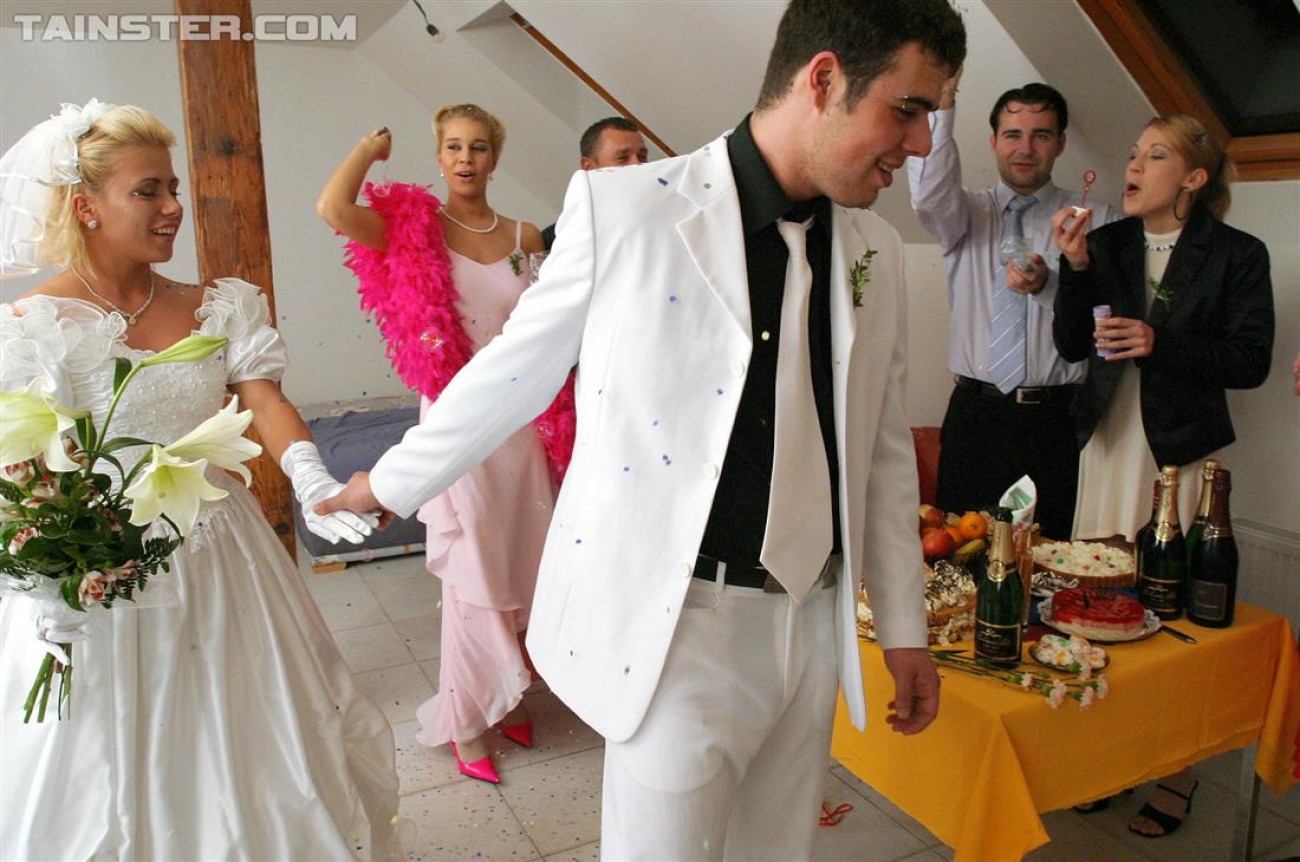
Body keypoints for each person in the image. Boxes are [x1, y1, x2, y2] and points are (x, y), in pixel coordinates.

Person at [319, 0, 967, 857]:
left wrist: (907, 629)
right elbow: (516, 369)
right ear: (823, 79)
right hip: (678, 626)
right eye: (909, 109)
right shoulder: (625, 209)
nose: (920, 143)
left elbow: (880, 451)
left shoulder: (873, 248)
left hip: (814, 624)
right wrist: (387, 481)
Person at [0, 100, 399, 859]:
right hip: (101, 575)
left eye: (173, 187)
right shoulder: (28, 326)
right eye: (146, 190)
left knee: (249, 742)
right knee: (105, 763)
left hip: (222, 559)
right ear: (86, 206)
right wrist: (45, 572)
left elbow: (265, 402)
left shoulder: (218, 305)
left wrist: (312, 481)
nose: (172, 206)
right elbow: (21, 468)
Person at [318, 103, 573, 785]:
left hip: (522, 423)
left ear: (495, 158)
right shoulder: (417, 231)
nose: (466, 159)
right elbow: (333, 209)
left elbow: (552, 326)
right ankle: (465, 720)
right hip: (457, 422)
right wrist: (368, 149)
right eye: (454, 147)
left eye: (479, 147)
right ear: (438, 157)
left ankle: (509, 692)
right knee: (474, 571)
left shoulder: (524, 235)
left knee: (522, 560)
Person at [1052, 113, 1274, 837]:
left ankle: (1178, 772)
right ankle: (1107, 757)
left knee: (1169, 615)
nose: (1135, 166)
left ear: (1194, 178)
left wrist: (1158, 340)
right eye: (1133, 153)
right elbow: (1069, 343)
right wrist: (1074, 269)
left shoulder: (1238, 254)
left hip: (1179, 454)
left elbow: (1250, 362)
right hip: (1107, 443)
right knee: (1097, 603)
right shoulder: (1107, 243)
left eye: (1155, 155)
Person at [908, 77, 1117, 539]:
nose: (1025, 148)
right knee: (959, 551)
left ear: (1060, 143)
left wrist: (1049, 285)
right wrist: (942, 105)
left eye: (1041, 135)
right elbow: (927, 194)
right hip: (976, 415)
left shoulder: (1098, 220)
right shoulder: (962, 214)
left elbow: (1106, 320)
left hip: (1056, 419)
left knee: (1048, 555)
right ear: (993, 142)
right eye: (1012, 135)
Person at [541, 116, 649, 250]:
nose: (638, 164)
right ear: (589, 167)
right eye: (622, 158)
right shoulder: (557, 241)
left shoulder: (665, 219)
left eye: (642, 156)